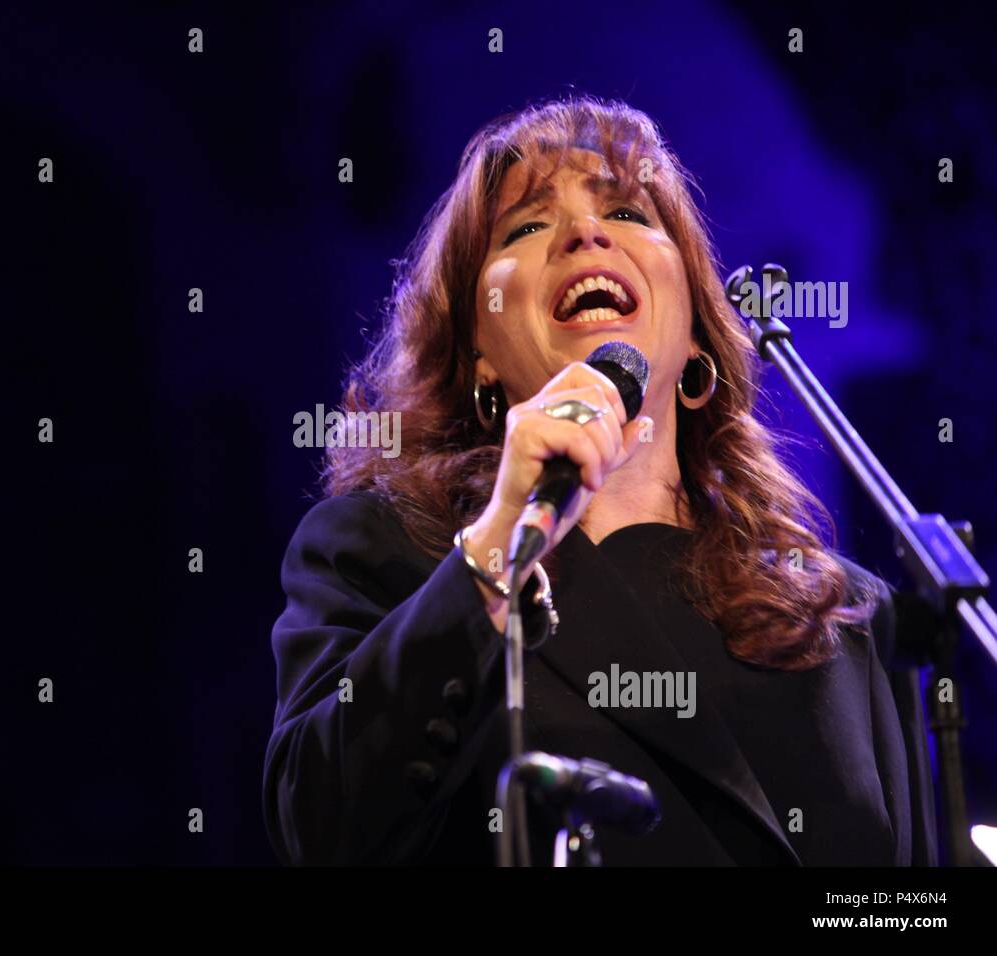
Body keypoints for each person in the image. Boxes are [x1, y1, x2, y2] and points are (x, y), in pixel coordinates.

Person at [261, 96, 937, 866]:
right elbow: (319, 828)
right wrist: (494, 555)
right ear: (477, 354)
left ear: (693, 337)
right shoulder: (386, 555)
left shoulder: (842, 619)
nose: (585, 232)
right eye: (526, 225)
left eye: (627, 211)